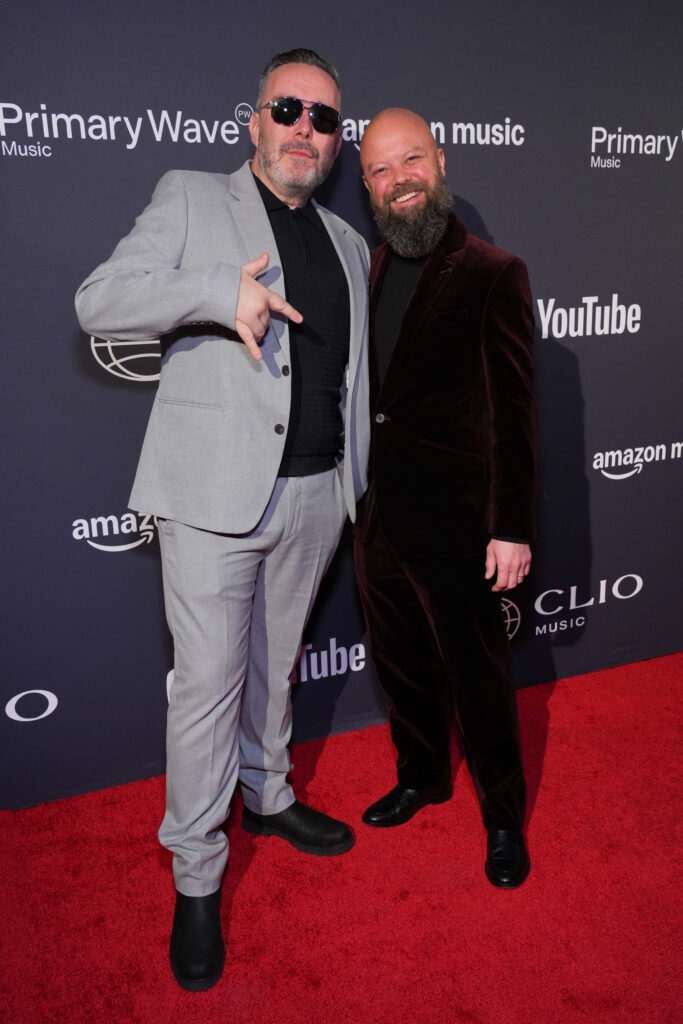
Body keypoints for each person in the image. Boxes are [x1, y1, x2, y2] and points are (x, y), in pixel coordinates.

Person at [75, 49, 369, 991]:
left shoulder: (349, 242)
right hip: (210, 499)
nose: (304, 130)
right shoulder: (193, 196)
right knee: (205, 689)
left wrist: (352, 484)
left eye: (324, 118)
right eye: (288, 109)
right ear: (254, 120)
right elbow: (99, 301)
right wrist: (213, 289)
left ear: (335, 141)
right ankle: (197, 874)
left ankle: (268, 795)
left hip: (318, 494)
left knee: (275, 668)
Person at [354, 108, 536, 889]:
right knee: (401, 668)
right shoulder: (366, 268)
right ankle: (422, 776)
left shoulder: (494, 272)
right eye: (379, 170)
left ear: (438, 160)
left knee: (478, 680)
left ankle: (502, 817)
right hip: (376, 517)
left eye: (409, 161)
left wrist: (510, 527)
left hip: (460, 523)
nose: (397, 180)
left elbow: (513, 412)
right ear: (366, 185)